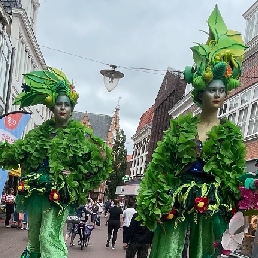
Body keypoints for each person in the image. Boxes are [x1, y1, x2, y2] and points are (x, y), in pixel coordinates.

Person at [136, 5, 247, 258]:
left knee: (204, 251)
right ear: (200, 93)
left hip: (212, 202)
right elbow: (161, 165)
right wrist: (153, 196)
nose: (217, 94)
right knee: (168, 250)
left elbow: (232, 174)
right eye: (211, 89)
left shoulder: (229, 133)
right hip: (177, 197)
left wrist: (242, 190)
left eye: (221, 89)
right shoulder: (182, 128)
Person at [0, 67, 112, 258]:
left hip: (57, 193)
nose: (62, 108)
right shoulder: (40, 133)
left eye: (66, 104)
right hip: (35, 191)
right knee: (34, 238)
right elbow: (18, 153)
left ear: (71, 108)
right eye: (59, 104)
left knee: (48, 236)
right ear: (52, 108)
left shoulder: (78, 135)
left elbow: (96, 166)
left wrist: (78, 175)